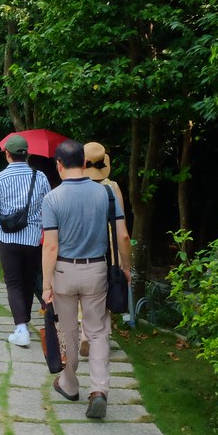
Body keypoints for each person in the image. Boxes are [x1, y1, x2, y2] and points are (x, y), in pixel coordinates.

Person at [41, 139, 131, 419]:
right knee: (98, 331)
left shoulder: (52, 198)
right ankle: (99, 390)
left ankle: (69, 384)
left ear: (58, 166)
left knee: (67, 332)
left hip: (65, 273)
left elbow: (51, 246)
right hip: (97, 271)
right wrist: (126, 268)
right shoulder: (107, 195)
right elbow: (123, 235)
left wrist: (46, 285)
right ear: (84, 163)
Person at [0, 134, 52, 348]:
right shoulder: (40, 177)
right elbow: (48, 207)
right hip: (33, 240)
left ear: (7, 154)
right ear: (27, 154)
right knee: (28, 282)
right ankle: (25, 324)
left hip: (8, 240)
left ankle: (21, 328)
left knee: (13, 283)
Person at [77, 142, 127, 358]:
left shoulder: (76, 187)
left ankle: (84, 335)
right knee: (104, 291)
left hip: (81, 246)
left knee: (82, 293)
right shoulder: (112, 187)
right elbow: (122, 228)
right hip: (108, 249)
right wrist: (126, 263)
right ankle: (100, 337)